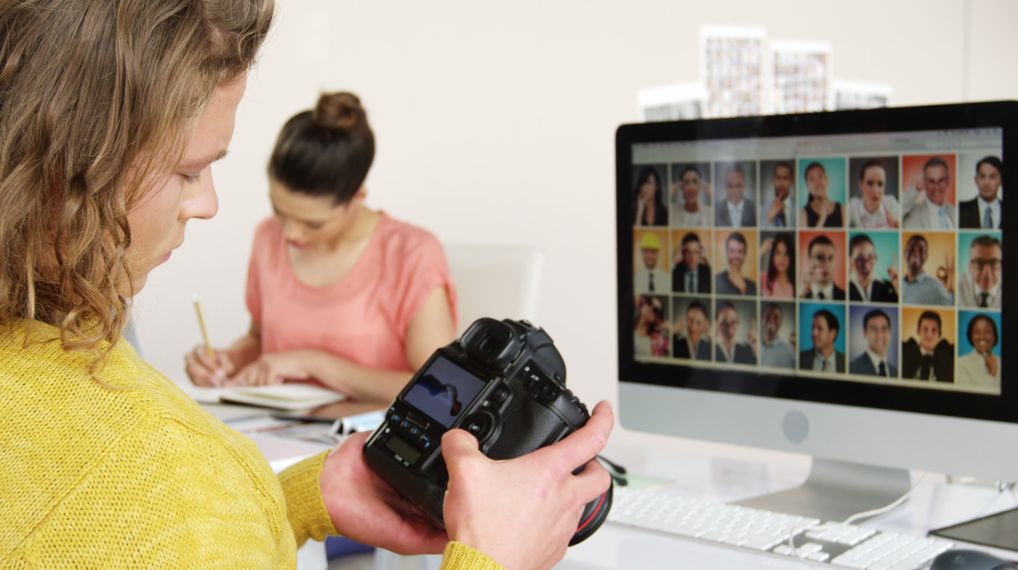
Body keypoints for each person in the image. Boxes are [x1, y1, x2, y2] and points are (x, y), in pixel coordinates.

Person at [0, 3, 613, 568]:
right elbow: (174, 528)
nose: (209, 203)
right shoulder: (163, 479)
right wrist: (492, 560)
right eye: (188, 170)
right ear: (73, 166)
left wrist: (284, 501)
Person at [185, 92, 456, 404]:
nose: (289, 233)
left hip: (370, 440)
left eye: (313, 224)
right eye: (280, 211)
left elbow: (438, 391)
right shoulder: (267, 237)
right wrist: (227, 361)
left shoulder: (412, 254)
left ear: (358, 195)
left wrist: (312, 362)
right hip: (275, 431)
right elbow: (260, 341)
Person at [902, 157, 956, 229]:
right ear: (925, 182)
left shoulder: (956, 211)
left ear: (947, 181)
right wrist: (916, 189)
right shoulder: (912, 213)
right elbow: (897, 210)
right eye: (931, 181)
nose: (936, 187)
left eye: (941, 181)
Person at [902, 311, 955, 382]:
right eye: (925, 329)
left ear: (940, 334)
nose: (929, 335)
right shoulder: (904, 351)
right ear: (918, 331)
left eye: (934, 330)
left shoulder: (949, 356)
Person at [902, 234, 954, 306]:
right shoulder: (898, 284)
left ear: (926, 256)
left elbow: (949, 306)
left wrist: (949, 290)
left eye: (921, 250)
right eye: (911, 249)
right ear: (904, 253)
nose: (915, 254)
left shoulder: (937, 288)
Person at [849, 159, 900, 229]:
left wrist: (898, 226)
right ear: (861, 184)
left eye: (880, 184)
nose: (875, 190)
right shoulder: (853, 205)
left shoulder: (891, 203)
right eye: (870, 183)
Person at [848, 234, 899, 302]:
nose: (866, 262)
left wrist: (898, 290)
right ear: (850, 260)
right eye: (860, 258)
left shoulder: (889, 287)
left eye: (870, 256)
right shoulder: (845, 288)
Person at [956, 315, 1001, 390]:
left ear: (994, 336)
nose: (982, 337)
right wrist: (992, 373)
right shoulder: (960, 363)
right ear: (971, 336)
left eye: (987, 332)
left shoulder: (1001, 361)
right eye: (977, 332)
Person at [957, 235, 1002, 309]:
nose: (986, 273)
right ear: (970, 266)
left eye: (994, 263)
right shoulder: (957, 285)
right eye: (979, 263)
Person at [958, 156, 1003, 229]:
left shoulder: (1013, 211)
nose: (986, 183)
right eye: (982, 176)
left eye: (992, 177)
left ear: (1001, 180)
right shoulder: (960, 209)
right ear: (976, 180)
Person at [850, 310, 897, 377]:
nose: (880, 335)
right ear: (865, 333)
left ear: (890, 333)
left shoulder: (895, 372)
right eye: (874, 329)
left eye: (884, 329)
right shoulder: (853, 368)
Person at [798, 162, 844, 228]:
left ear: (827, 179)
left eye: (820, 176)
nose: (818, 182)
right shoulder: (802, 214)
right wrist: (822, 218)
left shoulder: (842, 208)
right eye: (812, 179)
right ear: (807, 186)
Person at [801, 235, 845, 300]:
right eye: (819, 257)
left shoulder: (845, 296)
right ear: (809, 261)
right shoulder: (801, 295)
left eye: (830, 258)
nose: (826, 264)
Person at [760, 303, 796, 368]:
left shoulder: (789, 351)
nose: (771, 320)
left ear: (781, 322)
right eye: (768, 316)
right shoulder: (754, 346)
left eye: (776, 317)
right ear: (762, 319)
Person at [761, 233, 796, 298]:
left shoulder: (796, 283)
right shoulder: (763, 278)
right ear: (772, 256)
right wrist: (761, 251)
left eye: (787, 254)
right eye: (778, 253)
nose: (782, 258)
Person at [761, 162, 795, 228]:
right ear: (773, 180)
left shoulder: (797, 208)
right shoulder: (762, 208)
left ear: (791, 181)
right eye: (778, 178)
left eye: (785, 178)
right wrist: (769, 217)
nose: (781, 183)